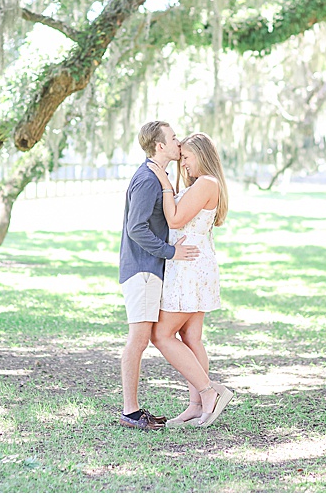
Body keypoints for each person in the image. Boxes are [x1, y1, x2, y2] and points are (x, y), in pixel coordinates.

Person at [146, 132, 234, 428]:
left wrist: (163, 182)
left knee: (161, 335)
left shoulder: (208, 183)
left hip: (190, 266)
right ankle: (196, 406)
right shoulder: (203, 184)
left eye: (187, 158)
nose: (183, 164)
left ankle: (210, 393)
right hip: (192, 262)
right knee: (191, 338)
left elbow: (175, 219)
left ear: (202, 155)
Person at [118, 121, 201, 430]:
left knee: (143, 340)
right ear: (160, 146)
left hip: (151, 271)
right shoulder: (146, 180)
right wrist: (171, 252)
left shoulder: (159, 177)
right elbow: (135, 228)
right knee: (138, 341)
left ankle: (135, 409)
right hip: (142, 271)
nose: (179, 142)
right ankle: (130, 411)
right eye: (174, 138)